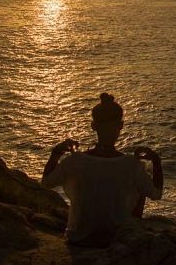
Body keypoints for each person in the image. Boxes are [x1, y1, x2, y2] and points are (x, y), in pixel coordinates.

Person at [41, 93, 163, 246]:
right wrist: (156, 161)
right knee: (138, 186)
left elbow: (46, 183)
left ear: (93, 126)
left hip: (78, 238)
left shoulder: (74, 161)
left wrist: (56, 153)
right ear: (121, 125)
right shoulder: (132, 165)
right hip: (114, 239)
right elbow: (156, 194)